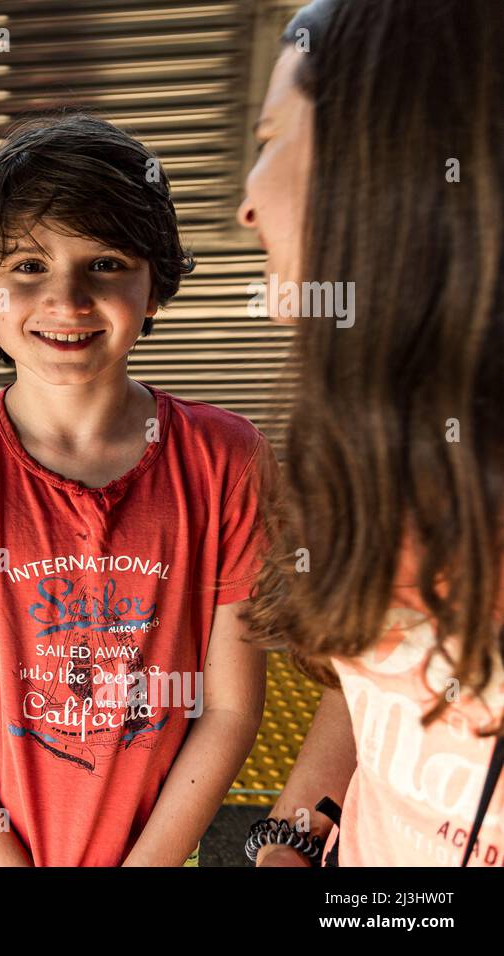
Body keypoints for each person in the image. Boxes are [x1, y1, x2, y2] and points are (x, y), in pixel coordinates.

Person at [0, 111, 273, 866]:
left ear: (154, 288)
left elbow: (229, 707)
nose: (67, 299)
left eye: (106, 263)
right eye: (26, 266)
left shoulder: (228, 461)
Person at [239, 0, 504, 866]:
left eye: (272, 136)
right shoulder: (387, 443)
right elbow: (380, 673)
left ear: (378, 168)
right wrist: (294, 830)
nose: (247, 204)